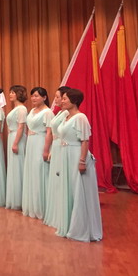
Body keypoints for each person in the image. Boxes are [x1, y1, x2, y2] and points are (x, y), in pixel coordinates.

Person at [55, 88, 103, 242]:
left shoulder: (81, 117)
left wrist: (82, 161)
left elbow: (84, 141)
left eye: (65, 99)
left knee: (78, 191)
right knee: (69, 190)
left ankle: (80, 229)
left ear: (74, 101)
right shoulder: (66, 117)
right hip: (66, 155)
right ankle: (69, 225)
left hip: (76, 155)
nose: (62, 101)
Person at [21, 86, 53, 219]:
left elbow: (50, 132)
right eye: (32, 96)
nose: (33, 98)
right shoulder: (32, 110)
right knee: (31, 172)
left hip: (41, 142)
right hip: (31, 143)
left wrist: (46, 150)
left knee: (40, 172)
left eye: (36, 96)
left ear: (44, 97)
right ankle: (32, 205)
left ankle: (42, 207)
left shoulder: (48, 112)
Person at [44, 86, 70, 229]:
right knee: (54, 179)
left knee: (60, 179)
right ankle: (56, 212)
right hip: (55, 146)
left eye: (58, 97)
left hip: (60, 146)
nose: (56, 99)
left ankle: (62, 214)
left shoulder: (66, 113)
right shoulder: (60, 112)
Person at [5, 85, 28, 210]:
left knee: (18, 166)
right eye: (10, 92)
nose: (10, 94)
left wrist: (15, 143)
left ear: (19, 94)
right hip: (12, 136)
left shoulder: (22, 109)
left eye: (13, 92)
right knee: (13, 166)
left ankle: (19, 199)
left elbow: (21, 127)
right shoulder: (16, 108)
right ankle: (14, 197)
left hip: (17, 138)